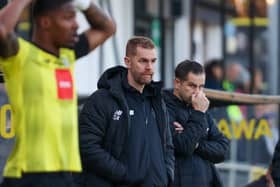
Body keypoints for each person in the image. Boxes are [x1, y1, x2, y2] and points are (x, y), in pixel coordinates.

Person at [0, 0, 116, 186]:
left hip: (65, 175)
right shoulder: (21, 56)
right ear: (45, 22)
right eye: (68, 18)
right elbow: (2, 29)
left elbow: (107, 28)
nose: (76, 25)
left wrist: (82, 3)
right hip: (28, 176)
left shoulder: (66, 57)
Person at [78, 36, 174, 187]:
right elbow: (87, 147)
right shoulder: (102, 100)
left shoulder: (157, 101)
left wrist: (167, 174)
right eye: (143, 61)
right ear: (127, 61)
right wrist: (124, 175)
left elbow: (167, 145)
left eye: (153, 61)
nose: (149, 67)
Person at [162, 60, 229, 187]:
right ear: (177, 83)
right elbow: (184, 146)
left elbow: (223, 149)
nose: (197, 92)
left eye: (201, 87)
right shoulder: (163, 107)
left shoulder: (201, 108)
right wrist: (198, 113)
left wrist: (197, 145)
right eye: (192, 86)